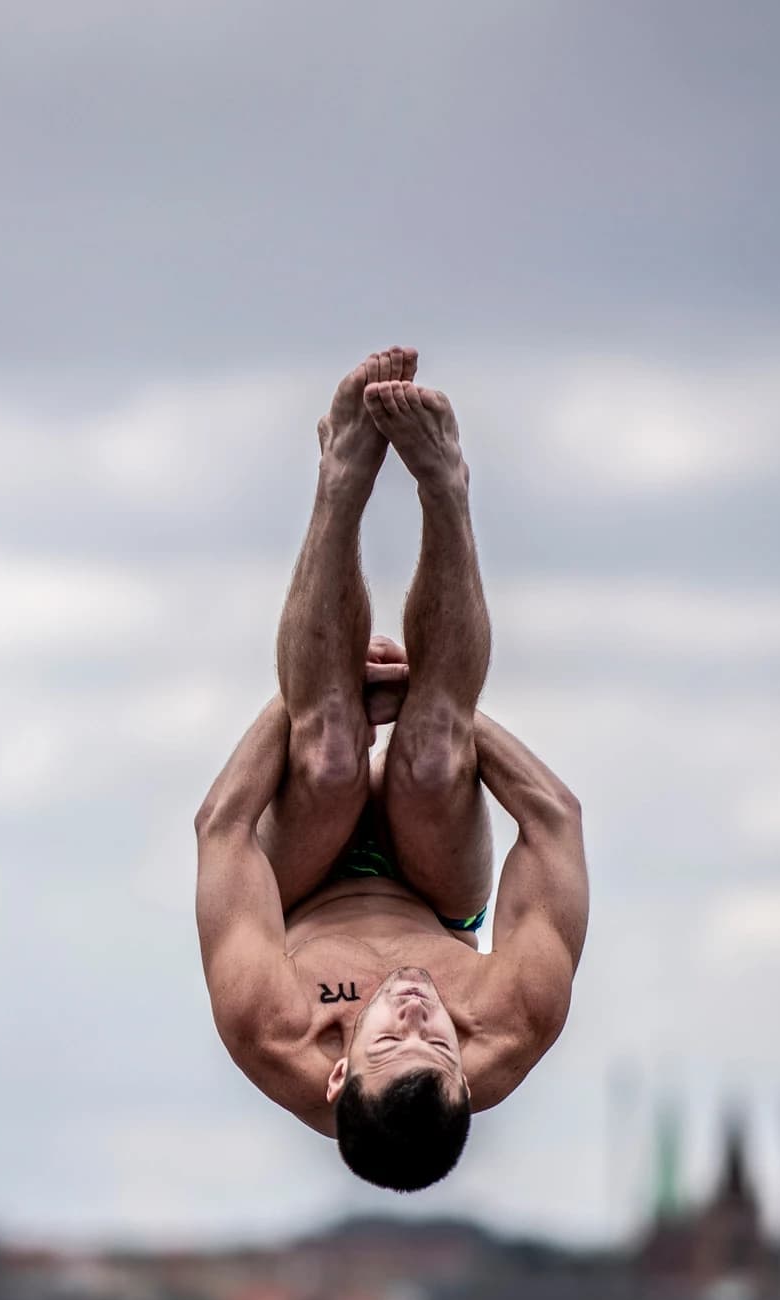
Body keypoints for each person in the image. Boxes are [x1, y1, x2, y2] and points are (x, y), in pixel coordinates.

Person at [193, 346, 589, 1192]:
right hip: (435, 885)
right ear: (466, 1077)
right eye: (436, 1040)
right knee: (434, 751)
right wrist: (430, 701)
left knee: (331, 751)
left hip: (301, 878)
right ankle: (445, 483)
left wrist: (312, 701)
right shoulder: (509, 1025)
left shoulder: (272, 1028)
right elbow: (554, 817)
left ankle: (341, 474)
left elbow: (222, 826)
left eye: (388, 1038)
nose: (414, 1012)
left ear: (338, 1075)